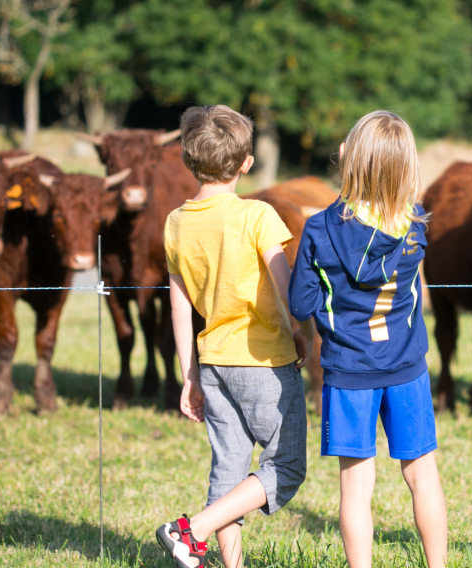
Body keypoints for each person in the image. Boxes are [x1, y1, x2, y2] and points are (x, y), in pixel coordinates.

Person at [155, 104, 315, 568]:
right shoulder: (258, 215)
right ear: (246, 163)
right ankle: (192, 532)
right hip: (263, 360)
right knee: (286, 466)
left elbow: (179, 304)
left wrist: (190, 374)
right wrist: (301, 330)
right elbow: (286, 287)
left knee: (228, 469)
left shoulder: (176, 222)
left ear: (188, 159)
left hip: (214, 362)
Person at [288, 110, 448, 568]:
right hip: (407, 367)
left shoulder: (319, 227)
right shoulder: (416, 223)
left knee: (356, 489)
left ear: (348, 160)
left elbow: (300, 305)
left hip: (346, 370)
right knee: (422, 475)